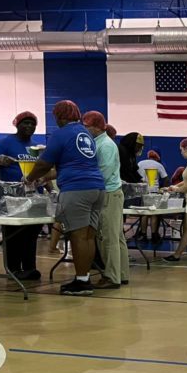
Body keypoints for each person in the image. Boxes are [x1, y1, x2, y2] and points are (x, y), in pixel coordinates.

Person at [24, 100, 106, 296]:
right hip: (97, 188)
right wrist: (46, 177)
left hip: (76, 190)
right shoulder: (85, 133)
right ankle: (84, 278)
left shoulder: (60, 134)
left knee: (77, 235)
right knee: (88, 236)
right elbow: (73, 164)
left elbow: (44, 163)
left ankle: (81, 282)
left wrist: (30, 178)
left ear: (59, 117)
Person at [0, 111, 44, 279]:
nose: (29, 126)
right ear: (17, 125)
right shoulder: (6, 143)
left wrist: (48, 187)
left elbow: (39, 169)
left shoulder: (35, 147)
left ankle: (29, 267)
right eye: (25, 123)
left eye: (32, 124)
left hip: (33, 195)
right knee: (14, 234)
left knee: (32, 233)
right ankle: (13, 268)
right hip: (12, 197)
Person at [83, 110, 128, 290]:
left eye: (86, 127)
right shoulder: (100, 143)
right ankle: (122, 274)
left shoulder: (105, 145)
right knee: (117, 238)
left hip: (108, 194)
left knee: (108, 238)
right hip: (112, 193)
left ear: (96, 127)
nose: (84, 130)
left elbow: (104, 173)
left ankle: (111, 276)